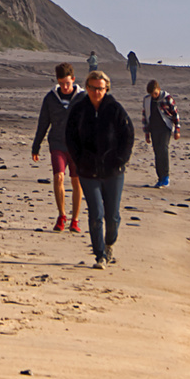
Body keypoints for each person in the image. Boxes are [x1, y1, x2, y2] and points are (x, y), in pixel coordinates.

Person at [65, 70, 134, 269]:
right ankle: (100, 255)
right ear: (87, 88)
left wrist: (121, 159)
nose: (96, 92)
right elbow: (70, 137)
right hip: (87, 171)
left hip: (113, 171)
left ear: (106, 89)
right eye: (93, 88)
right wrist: (78, 160)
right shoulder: (79, 110)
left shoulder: (115, 109)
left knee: (112, 215)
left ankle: (110, 242)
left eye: (100, 89)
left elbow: (128, 135)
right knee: (96, 212)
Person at [30, 63, 84, 233]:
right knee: (59, 177)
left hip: (77, 146)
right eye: (61, 83)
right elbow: (43, 123)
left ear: (73, 80)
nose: (65, 87)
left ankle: (74, 220)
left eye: (67, 83)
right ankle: (62, 215)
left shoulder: (83, 98)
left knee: (76, 181)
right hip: (57, 144)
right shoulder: (50, 98)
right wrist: (36, 145)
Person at [141, 80, 180, 187]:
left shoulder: (167, 98)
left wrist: (177, 129)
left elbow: (175, 114)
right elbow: (145, 117)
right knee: (157, 152)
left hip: (165, 128)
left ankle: (166, 177)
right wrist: (146, 134)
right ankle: (160, 178)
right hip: (153, 129)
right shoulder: (147, 100)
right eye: (151, 94)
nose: (153, 96)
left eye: (155, 94)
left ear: (159, 90)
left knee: (163, 149)